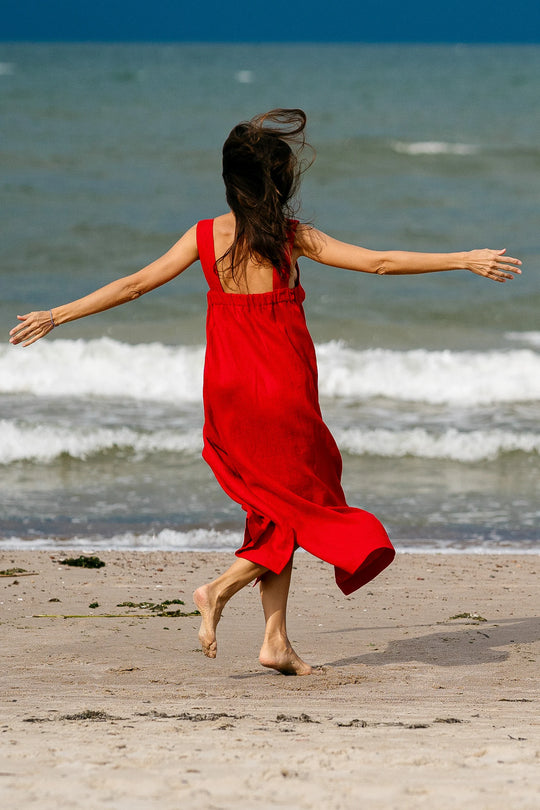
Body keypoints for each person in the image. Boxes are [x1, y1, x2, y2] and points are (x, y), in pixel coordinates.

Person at [9, 109, 521, 676]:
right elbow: (378, 263)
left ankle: (275, 641)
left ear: (230, 180)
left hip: (227, 388)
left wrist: (58, 313)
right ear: (277, 183)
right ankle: (220, 587)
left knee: (272, 506)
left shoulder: (204, 235)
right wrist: (462, 258)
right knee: (307, 501)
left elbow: (134, 284)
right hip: (281, 385)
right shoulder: (291, 237)